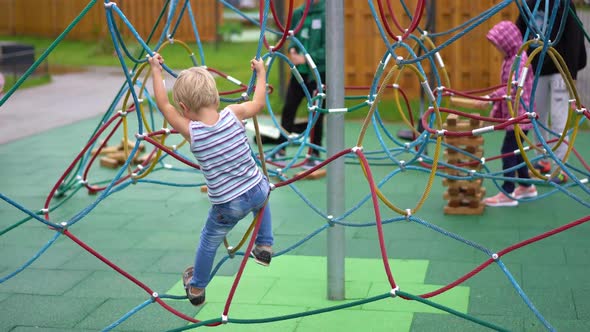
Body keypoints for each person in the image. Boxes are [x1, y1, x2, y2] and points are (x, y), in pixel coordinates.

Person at [148, 53, 274, 306]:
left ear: (184, 109)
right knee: (262, 196)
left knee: (209, 240)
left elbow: (163, 105)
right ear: (216, 97)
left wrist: (155, 69)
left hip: (228, 204)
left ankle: (197, 287)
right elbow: (259, 103)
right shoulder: (233, 113)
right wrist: (260, 73)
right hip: (257, 187)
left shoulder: (191, 130)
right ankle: (264, 246)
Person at [451, 21, 538, 207]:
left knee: (507, 152)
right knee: (518, 151)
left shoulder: (519, 60)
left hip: (520, 115)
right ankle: (526, 186)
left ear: (508, 42)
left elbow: (513, 89)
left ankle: (508, 191)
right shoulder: (511, 58)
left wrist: (490, 98)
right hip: (518, 115)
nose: (497, 48)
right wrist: (489, 98)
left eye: (498, 44)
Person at [515, 0, 587, 184]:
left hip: (559, 69)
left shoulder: (563, 4)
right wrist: (521, 67)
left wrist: (571, 73)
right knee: (536, 117)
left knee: (558, 120)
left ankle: (559, 169)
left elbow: (573, 36)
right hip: (537, 67)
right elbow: (519, 32)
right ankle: (544, 161)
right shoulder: (530, 4)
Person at [274, 0, 326, 169]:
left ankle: (314, 154)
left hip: (318, 73)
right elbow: (292, 37)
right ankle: (281, 149)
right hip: (300, 72)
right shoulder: (299, 13)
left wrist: (306, 58)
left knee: (317, 113)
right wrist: (292, 51)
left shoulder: (328, 13)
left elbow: (329, 46)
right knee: (289, 107)